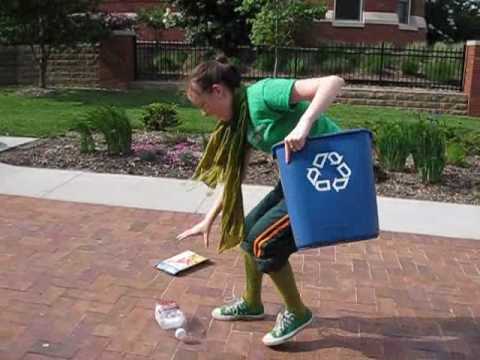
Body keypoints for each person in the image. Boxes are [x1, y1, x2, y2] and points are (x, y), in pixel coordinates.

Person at [177, 56, 344, 346]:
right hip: (298, 179)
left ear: (218, 91)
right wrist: (208, 219)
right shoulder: (239, 122)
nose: (204, 114)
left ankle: (297, 311)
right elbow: (232, 176)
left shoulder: (262, 95)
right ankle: (252, 303)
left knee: (264, 242)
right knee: (249, 230)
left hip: (329, 177)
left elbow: (333, 82)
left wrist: (304, 124)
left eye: (203, 105)